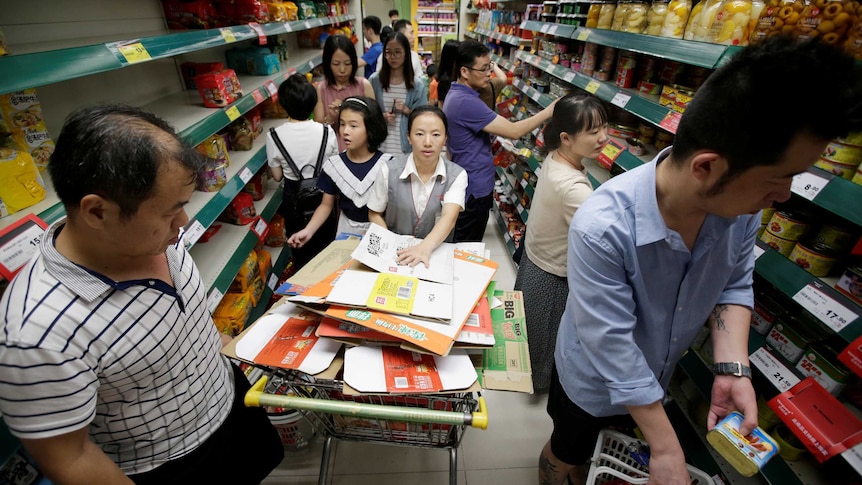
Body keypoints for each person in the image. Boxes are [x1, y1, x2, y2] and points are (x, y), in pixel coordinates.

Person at [540, 37, 862, 485]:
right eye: (779, 178)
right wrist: (666, 444)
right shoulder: (603, 226)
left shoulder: (741, 208)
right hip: (591, 380)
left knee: (612, 451)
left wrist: (732, 368)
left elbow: (733, 282)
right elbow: (609, 340)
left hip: (656, 375)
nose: (784, 196)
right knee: (567, 450)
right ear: (707, 167)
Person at [0, 105, 283, 484]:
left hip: (231, 406)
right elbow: (71, 458)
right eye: (171, 211)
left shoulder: (153, 239)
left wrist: (213, 346)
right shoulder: (35, 335)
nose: (183, 223)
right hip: (172, 465)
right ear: (97, 212)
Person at [513, 94, 607, 393]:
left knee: (531, 328)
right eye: (593, 132)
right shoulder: (573, 188)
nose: (603, 138)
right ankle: (540, 384)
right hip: (554, 272)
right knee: (547, 332)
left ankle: (527, 372)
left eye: (605, 127)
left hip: (536, 256)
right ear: (566, 138)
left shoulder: (555, 157)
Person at [443, 40, 557, 242]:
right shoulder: (465, 102)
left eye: (490, 67)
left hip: (470, 180)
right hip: (473, 186)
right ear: (464, 71)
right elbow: (514, 131)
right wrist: (548, 112)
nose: (489, 73)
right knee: (466, 247)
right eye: (484, 69)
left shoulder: (459, 93)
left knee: (466, 241)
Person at [367, 106, 467, 267]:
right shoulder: (389, 170)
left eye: (436, 135)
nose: (428, 142)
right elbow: (374, 213)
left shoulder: (457, 175)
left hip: (434, 256)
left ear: (445, 138)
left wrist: (424, 248)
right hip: (395, 256)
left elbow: (449, 217)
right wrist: (389, 245)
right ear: (409, 137)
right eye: (419, 134)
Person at [289, 96, 390, 243]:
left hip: (380, 230)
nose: (345, 131)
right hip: (346, 232)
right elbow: (326, 205)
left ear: (371, 128)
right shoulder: (334, 166)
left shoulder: (387, 165)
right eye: (342, 124)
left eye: (353, 126)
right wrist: (308, 230)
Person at [267, 73, 339, 268]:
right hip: (324, 194)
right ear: (313, 102)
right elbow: (334, 166)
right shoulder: (326, 131)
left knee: (300, 248)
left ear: (283, 104)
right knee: (326, 247)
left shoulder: (274, 135)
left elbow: (277, 176)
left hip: (294, 197)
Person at [370, 32, 429, 155]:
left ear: (406, 54)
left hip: (406, 149)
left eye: (397, 52)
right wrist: (381, 117)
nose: (393, 57)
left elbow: (424, 117)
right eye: (388, 52)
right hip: (379, 148)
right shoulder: (375, 81)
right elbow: (366, 113)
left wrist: (407, 110)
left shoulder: (416, 85)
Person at [314, 34, 375, 151]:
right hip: (332, 154)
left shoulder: (364, 85)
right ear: (327, 64)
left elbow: (375, 123)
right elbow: (318, 128)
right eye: (336, 64)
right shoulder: (321, 89)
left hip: (361, 152)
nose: (342, 70)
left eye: (347, 64)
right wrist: (331, 117)